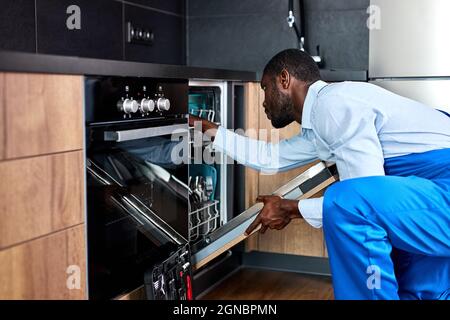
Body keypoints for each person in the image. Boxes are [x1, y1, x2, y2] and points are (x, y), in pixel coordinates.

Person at [189, 49, 450, 300]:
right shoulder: (322, 119)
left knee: (347, 201)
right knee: (414, 289)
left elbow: (359, 200)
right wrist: (208, 129)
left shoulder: (332, 106)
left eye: (265, 88)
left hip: (441, 190)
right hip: (430, 196)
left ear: (284, 79)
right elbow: (269, 158)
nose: (263, 102)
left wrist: (291, 209)